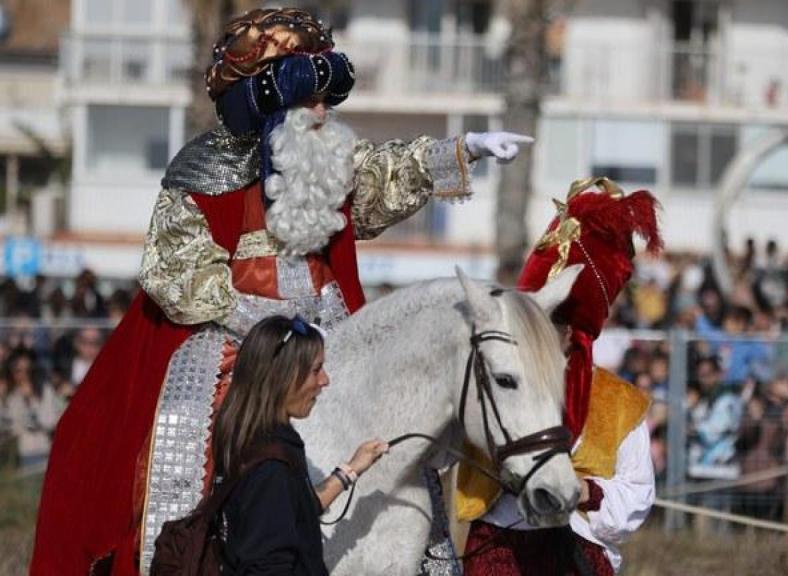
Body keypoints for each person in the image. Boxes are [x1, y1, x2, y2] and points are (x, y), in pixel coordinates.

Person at [33, 8, 533, 575]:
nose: (324, 113)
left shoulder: (323, 161)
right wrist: (275, 329)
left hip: (330, 333)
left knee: (391, 418)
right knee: (186, 430)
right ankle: (182, 552)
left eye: (326, 100)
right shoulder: (201, 172)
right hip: (237, 342)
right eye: (311, 101)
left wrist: (465, 149)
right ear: (270, 106)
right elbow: (180, 278)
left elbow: (385, 174)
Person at [457, 177, 662, 575]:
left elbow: (637, 496)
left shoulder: (620, 404)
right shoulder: (491, 380)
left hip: (576, 553)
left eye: (549, 321)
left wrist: (585, 491)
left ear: (574, 330)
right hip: (496, 548)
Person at [211, 315, 387, 575]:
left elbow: (296, 511)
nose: (325, 380)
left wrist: (350, 469)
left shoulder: (259, 439)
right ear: (282, 376)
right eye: (316, 370)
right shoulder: (269, 466)